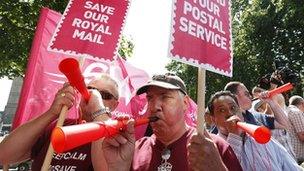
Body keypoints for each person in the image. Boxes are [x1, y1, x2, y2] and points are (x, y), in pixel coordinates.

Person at [99, 73, 242, 171]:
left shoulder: (213, 146)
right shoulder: (135, 149)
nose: (155, 107)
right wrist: (119, 168)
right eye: (150, 98)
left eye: (165, 97)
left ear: (185, 103)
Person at [0, 73, 119, 170]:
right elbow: (4, 155)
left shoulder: (119, 135)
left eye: (104, 95)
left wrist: (98, 108)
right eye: (89, 90)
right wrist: (51, 113)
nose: (93, 96)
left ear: (115, 105)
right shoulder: (59, 125)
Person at [207, 91, 301, 170]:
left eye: (233, 108)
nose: (230, 113)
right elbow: (228, 167)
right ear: (213, 119)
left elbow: (290, 165)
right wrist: (234, 136)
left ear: (240, 111)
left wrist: (271, 102)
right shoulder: (212, 147)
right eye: (222, 110)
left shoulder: (261, 137)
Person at [224, 81, 289, 129]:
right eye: (246, 94)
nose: (250, 96)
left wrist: (272, 102)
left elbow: (285, 124)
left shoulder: (256, 117)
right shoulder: (224, 123)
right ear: (235, 98)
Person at [287, 95, 304, 164]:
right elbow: (302, 136)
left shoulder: (288, 110)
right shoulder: (296, 112)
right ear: (303, 103)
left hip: (292, 152)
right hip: (299, 154)